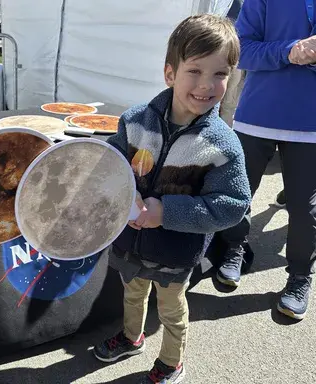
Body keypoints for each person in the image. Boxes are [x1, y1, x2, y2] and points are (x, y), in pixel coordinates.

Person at [92, 14, 251, 383]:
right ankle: (132, 338)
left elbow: (232, 204)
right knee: (132, 296)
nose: (206, 86)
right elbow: (110, 167)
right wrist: (120, 195)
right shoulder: (134, 121)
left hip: (175, 253)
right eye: (194, 71)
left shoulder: (222, 145)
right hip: (130, 241)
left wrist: (166, 211)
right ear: (169, 73)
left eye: (220, 74)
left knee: (171, 311)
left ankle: (171, 361)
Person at [215, 0, 316, 320]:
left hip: (311, 124)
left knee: (304, 207)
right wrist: (291, 51)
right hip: (257, 115)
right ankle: (234, 248)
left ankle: (300, 276)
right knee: (239, 191)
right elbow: (242, 50)